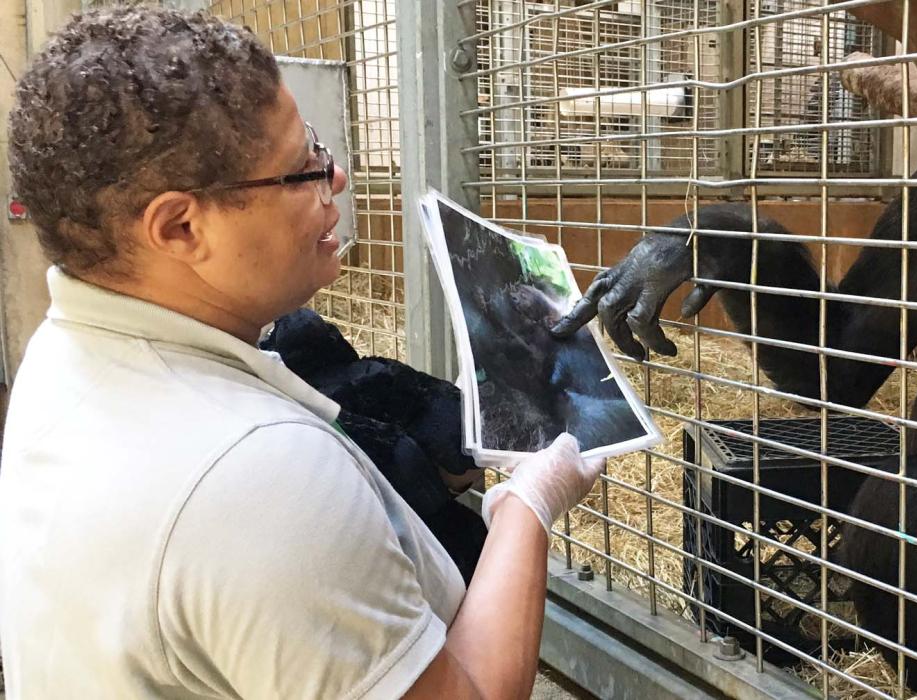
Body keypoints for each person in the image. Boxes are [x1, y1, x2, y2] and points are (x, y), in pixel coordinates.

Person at [0, 7, 603, 698]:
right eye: (300, 170)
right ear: (181, 226)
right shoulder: (253, 475)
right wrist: (527, 507)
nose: (336, 177)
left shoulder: (67, 351)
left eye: (315, 145)